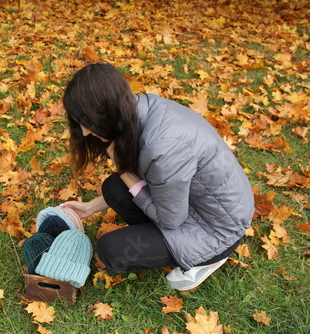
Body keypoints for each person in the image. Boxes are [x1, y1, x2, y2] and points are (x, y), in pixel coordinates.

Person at [61, 63, 255, 290]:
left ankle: (207, 259)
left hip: (217, 230)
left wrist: (123, 168)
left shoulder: (162, 148)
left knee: (111, 251)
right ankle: (164, 243)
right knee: (114, 188)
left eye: (87, 123)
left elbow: (171, 220)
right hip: (198, 205)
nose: (83, 132)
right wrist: (91, 207)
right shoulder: (138, 109)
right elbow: (152, 181)